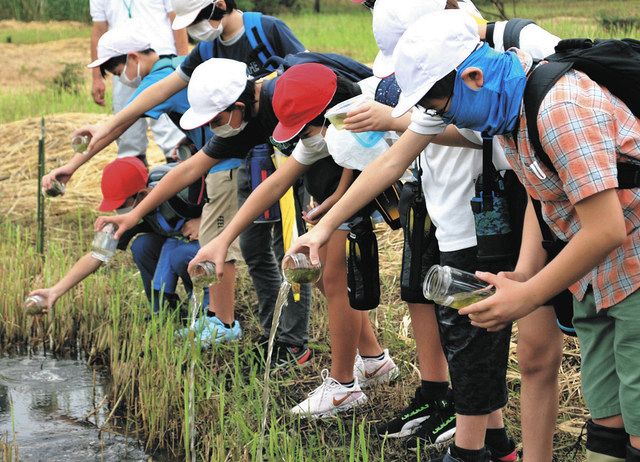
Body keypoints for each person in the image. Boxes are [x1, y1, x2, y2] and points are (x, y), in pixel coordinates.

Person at [388, 10, 638, 462]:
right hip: (595, 280)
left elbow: (606, 228)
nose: (439, 119)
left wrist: (528, 298)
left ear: (474, 77)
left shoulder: (560, 106)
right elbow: (543, 197)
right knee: (608, 420)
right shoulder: (509, 117)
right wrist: (524, 273)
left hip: (634, 269)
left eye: (438, 106)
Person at [94, 57, 398, 416]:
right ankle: (375, 360)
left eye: (217, 120)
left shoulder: (300, 95)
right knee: (328, 281)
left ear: (237, 106)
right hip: (334, 179)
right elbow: (252, 177)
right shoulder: (256, 119)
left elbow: (353, 138)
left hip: (367, 170)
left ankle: (343, 385)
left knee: (335, 279)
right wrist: (213, 237)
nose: (214, 129)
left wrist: (337, 198)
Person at [345, 1, 563, 460]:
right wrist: (325, 224)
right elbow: (398, 155)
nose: (431, 110)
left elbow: (545, 182)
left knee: (504, 346)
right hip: (471, 220)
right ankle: (498, 442)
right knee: (489, 343)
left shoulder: (513, 68)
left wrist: (527, 280)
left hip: (500, 221)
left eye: (428, 99)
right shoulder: (451, 83)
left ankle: (472, 448)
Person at [74, 0, 313, 366]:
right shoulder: (208, 56)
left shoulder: (266, 31)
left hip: (295, 154)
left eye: (199, 18)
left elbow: (309, 76)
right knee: (253, 249)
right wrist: (106, 134)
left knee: (293, 248)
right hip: (253, 157)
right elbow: (186, 165)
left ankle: (295, 343)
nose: (197, 29)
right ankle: (275, 337)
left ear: (219, 5)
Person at [29, 158, 210, 323]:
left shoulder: (182, 188)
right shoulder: (128, 217)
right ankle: (165, 311)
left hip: (211, 240)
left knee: (180, 255)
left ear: (142, 194)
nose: (119, 213)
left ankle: (207, 312)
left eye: (122, 205)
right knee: (142, 246)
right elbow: (96, 256)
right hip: (178, 241)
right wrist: (55, 291)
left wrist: (203, 221)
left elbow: (229, 194)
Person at [89, 0, 187, 163]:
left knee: (170, 132)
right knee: (128, 137)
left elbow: (175, 18)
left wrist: (183, 63)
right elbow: (98, 30)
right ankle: (135, 183)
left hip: (159, 59)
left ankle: (180, 172)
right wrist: (97, 77)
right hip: (121, 64)